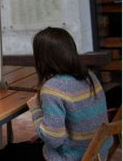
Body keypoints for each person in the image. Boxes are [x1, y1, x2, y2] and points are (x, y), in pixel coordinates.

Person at [17, 27, 112, 161]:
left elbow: (53, 139)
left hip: (73, 156)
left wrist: (36, 110)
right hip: (98, 153)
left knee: (10, 153)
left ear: (42, 58)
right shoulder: (89, 76)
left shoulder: (53, 88)